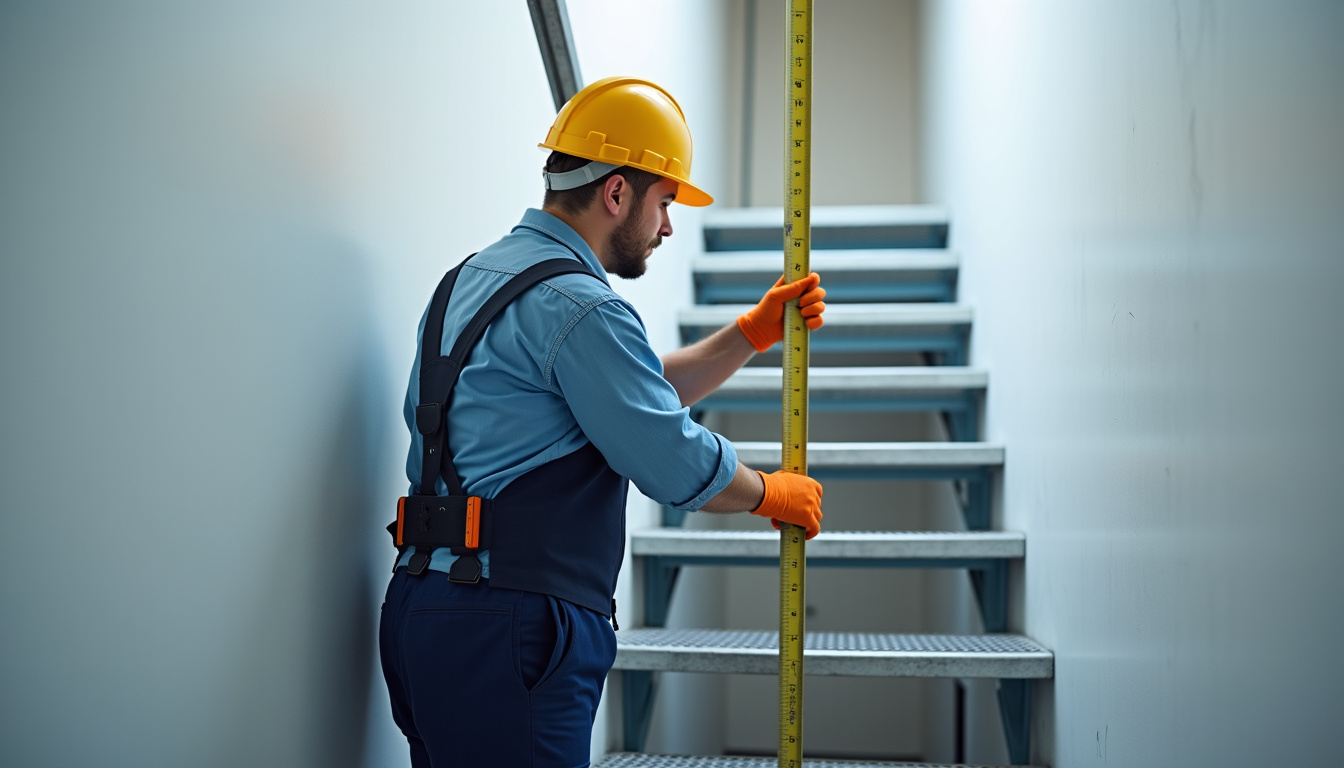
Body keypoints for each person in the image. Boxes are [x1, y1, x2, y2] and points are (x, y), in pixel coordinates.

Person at [378, 76, 826, 768]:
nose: (668, 226)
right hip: (511, 623)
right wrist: (769, 491)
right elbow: (666, 456)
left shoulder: (471, 279)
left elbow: (626, 395)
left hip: (423, 610)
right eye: (664, 201)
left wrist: (748, 334)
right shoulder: (581, 304)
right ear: (616, 193)